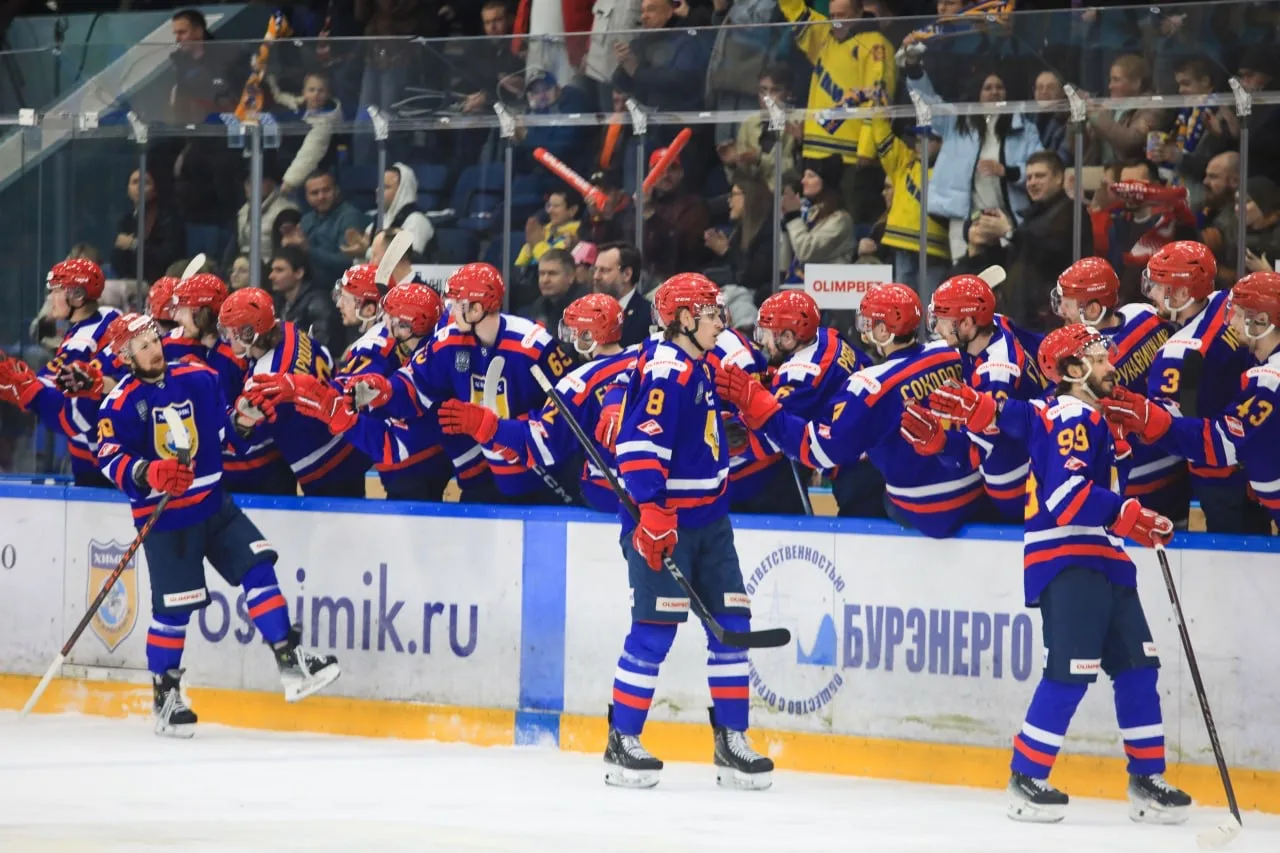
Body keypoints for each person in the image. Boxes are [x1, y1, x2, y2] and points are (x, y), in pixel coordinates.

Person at [924, 324, 1191, 825]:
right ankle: (1026, 778)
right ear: (1073, 369)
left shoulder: (1077, 414)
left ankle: (1146, 778)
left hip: (1105, 558)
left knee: (1138, 667)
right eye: (1099, 358)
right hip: (1070, 559)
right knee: (1070, 671)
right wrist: (1130, 516)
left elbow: (1020, 415)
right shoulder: (1073, 415)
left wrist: (988, 409)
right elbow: (1066, 498)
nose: (1112, 365)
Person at [94, 312, 340, 737]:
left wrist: (244, 417)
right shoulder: (117, 405)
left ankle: (291, 662)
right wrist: (148, 472)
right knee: (174, 613)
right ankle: (166, 696)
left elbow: (223, 434)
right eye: (143, 346)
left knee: (258, 566)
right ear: (125, 356)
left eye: (154, 340)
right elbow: (110, 458)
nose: (154, 349)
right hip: (167, 520)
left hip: (214, 504)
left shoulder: (198, 378)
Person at [606, 272, 773, 790]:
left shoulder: (698, 362)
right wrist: (652, 511)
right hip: (666, 524)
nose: (721, 322)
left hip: (710, 522)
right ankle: (621, 739)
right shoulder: (669, 370)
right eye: (711, 314)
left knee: (732, 626)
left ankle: (731, 741)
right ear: (683, 319)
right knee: (654, 632)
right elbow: (638, 446)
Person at [716, 283, 984, 537]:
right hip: (970, 485)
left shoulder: (870, 385)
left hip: (902, 493)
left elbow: (819, 450)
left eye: (868, 323)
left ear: (884, 331)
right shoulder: (948, 353)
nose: (863, 331)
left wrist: (758, 408)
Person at [344, 263, 576, 505]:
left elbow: (569, 413)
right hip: (493, 475)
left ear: (476, 309)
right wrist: (385, 391)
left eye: (456, 304)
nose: (450, 312)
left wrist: (508, 431)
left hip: (547, 471)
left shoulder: (533, 345)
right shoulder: (448, 342)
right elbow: (415, 386)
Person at [248, 282, 458, 503]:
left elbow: (393, 438)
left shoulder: (378, 348)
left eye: (391, 317)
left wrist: (305, 391)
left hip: (410, 463)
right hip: (427, 457)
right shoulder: (430, 343)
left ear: (409, 326)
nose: (384, 320)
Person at [1101, 271, 1280, 529]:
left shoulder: (1270, 381)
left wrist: (1154, 421)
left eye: (1240, 315)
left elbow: (1221, 443)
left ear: (1262, 321)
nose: (1231, 322)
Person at [436, 293, 637, 513]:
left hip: (607, 494)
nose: (569, 339)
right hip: (646, 488)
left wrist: (492, 427)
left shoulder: (578, 383)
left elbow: (542, 441)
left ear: (589, 335)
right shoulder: (642, 358)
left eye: (575, 332)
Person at [1141, 241, 1268, 534]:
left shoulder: (1176, 354)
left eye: (1159, 285)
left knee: (1234, 550)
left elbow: (1168, 429)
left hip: (1219, 472)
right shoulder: (1228, 301)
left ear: (1182, 293)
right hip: (1257, 450)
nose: (1152, 293)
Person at [1051, 257, 1184, 524]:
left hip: (1135, 475)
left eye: (1069, 303)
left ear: (1093, 310)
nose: (1062, 310)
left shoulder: (1094, 360)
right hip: (1176, 459)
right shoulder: (1142, 313)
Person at [219, 287, 371, 498]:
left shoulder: (266, 378)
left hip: (326, 466)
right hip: (348, 439)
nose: (227, 337)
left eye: (230, 330)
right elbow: (327, 360)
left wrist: (234, 422)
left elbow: (243, 440)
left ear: (248, 333)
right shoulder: (290, 330)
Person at [737, 290, 873, 516]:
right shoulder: (826, 336)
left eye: (767, 334)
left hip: (857, 467)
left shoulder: (801, 375)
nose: (763, 342)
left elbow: (773, 434)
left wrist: (725, 437)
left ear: (788, 337)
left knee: (861, 533)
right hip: (869, 448)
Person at [928, 274, 1045, 522]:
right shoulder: (998, 323)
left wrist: (940, 444)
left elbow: (971, 455)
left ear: (967, 323)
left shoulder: (995, 376)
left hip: (1017, 491)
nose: (937, 329)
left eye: (943, 321)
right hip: (1030, 460)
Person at [0, 259, 121, 487]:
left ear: (77, 296)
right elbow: (55, 379)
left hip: (98, 463)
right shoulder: (109, 315)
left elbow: (73, 417)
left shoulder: (81, 344)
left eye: (56, 291)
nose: (50, 298)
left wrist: (28, 391)